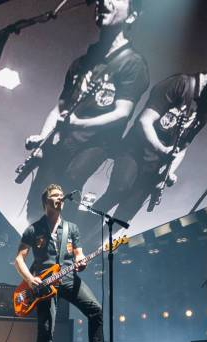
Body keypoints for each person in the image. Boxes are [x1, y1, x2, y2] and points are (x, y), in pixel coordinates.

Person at [88, 37, 207, 227]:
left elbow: (183, 148)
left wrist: (168, 173)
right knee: (119, 189)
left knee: (121, 221)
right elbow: (144, 121)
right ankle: (77, 238)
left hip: (152, 170)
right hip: (134, 153)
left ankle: (90, 253)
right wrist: (161, 149)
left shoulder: (205, 110)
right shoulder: (181, 83)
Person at [24, 0, 149, 223]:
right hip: (62, 143)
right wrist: (43, 137)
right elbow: (59, 108)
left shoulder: (132, 63)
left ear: (132, 16)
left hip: (96, 144)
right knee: (36, 204)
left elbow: (122, 113)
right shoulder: (81, 62)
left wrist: (78, 123)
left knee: (68, 183)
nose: (103, 1)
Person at [15, 184, 108, 342]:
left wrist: (81, 262)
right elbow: (19, 259)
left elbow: (78, 254)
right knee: (46, 330)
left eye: (61, 195)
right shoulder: (33, 229)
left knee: (96, 310)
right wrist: (31, 279)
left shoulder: (71, 228)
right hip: (43, 284)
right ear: (45, 202)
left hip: (67, 277)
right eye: (55, 195)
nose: (60, 198)